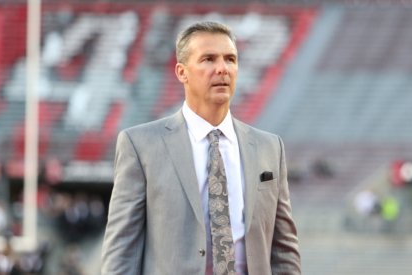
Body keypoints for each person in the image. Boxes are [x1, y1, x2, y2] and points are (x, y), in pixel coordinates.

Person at [101, 21, 301, 275]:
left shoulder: (269, 147)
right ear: (182, 72)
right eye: (209, 59)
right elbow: (122, 248)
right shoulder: (140, 145)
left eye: (230, 59)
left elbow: (284, 249)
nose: (222, 69)